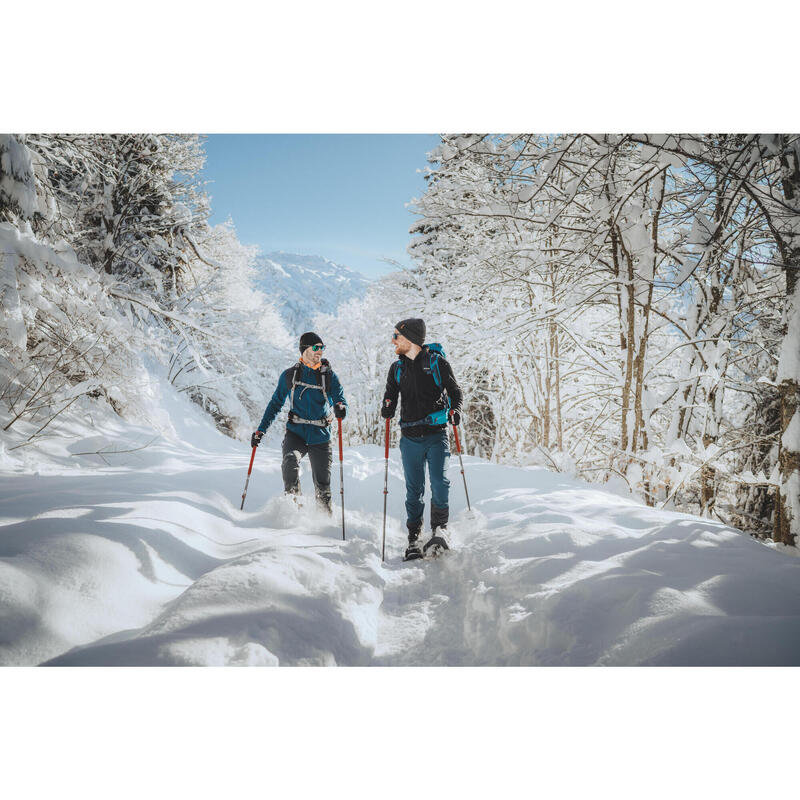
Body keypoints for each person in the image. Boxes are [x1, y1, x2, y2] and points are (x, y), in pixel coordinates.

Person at [381, 317, 463, 559]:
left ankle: (440, 530)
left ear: (410, 339)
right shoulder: (397, 369)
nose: (392, 340)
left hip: (436, 435)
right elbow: (390, 395)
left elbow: (455, 391)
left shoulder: (437, 363)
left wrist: (455, 410)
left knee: (440, 482)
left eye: (396, 336)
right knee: (413, 490)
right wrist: (387, 406)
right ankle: (414, 539)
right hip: (410, 438)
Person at [251, 332, 347, 513]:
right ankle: (295, 511)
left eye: (322, 348)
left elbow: (340, 399)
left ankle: (324, 520)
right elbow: (275, 404)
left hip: (321, 435)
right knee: (289, 462)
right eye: (316, 347)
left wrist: (341, 408)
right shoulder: (290, 376)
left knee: (322, 483)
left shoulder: (329, 377)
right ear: (305, 349)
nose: (320, 351)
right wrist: (260, 431)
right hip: (296, 433)